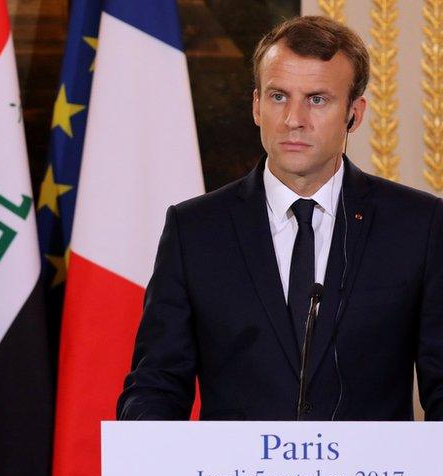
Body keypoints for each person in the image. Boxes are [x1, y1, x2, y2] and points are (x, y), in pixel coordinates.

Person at [117, 16, 443, 421]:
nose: (293, 119)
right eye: (278, 97)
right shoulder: (196, 230)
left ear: (354, 114)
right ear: (256, 105)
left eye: (317, 99)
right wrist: (146, 460)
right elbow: (157, 383)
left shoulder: (418, 225)